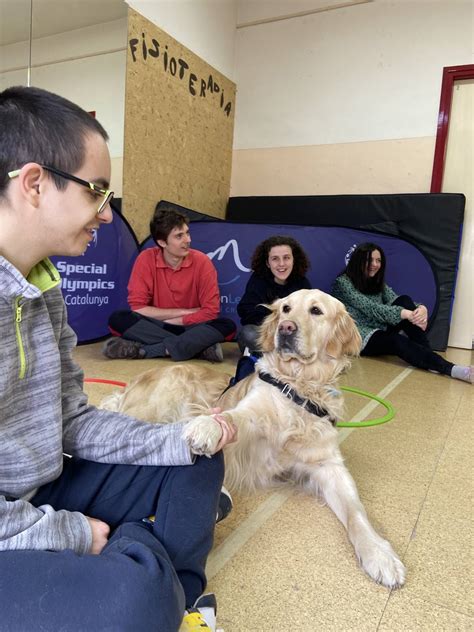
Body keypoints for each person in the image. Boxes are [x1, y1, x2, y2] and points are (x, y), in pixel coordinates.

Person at [0, 85, 237, 632]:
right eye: (97, 192)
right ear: (35, 183)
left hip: (47, 485)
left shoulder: (45, 290)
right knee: (131, 604)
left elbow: (73, 421)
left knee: (195, 457)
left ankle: (169, 593)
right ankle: (149, 580)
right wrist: (74, 533)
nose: (107, 216)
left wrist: (178, 439)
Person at [102, 205, 236, 363]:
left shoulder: (202, 261)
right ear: (162, 242)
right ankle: (199, 347)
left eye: (187, 233)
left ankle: (147, 350)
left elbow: (211, 311)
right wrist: (185, 312)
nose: (188, 240)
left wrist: (176, 321)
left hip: (191, 325)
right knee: (118, 319)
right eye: (179, 236)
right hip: (161, 324)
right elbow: (138, 308)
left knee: (227, 326)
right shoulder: (146, 259)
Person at [332, 242, 473, 383]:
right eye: (369, 260)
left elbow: (395, 299)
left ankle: (429, 358)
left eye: (378, 260)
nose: (374, 264)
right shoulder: (343, 283)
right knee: (396, 340)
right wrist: (406, 314)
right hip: (359, 335)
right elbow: (372, 308)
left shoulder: (376, 281)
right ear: (358, 260)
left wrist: (421, 309)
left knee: (404, 300)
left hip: (379, 325)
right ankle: (452, 369)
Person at [236, 235, 311, 353]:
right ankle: (286, 358)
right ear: (267, 263)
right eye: (275, 259)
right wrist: (278, 322)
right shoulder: (258, 280)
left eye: (286, 258)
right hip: (269, 334)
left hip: (294, 335)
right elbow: (247, 311)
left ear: (293, 260)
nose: (281, 264)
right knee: (248, 333)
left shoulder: (302, 283)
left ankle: (280, 357)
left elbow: (308, 317)